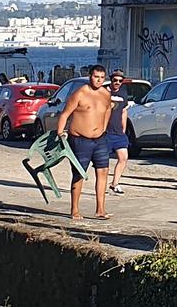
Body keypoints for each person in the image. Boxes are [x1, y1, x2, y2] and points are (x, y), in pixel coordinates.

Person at [54, 65, 116, 222]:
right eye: (96, 77)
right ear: (90, 76)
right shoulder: (80, 93)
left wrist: (103, 127)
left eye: (102, 78)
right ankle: (74, 209)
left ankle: (100, 210)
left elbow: (108, 109)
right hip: (80, 139)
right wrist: (60, 134)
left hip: (100, 139)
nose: (99, 80)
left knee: (103, 171)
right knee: (79, 174)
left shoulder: (105, 94)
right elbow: (65, 114)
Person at [100, 71, 133, 195]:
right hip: (105, 132)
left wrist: (123, 129)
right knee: (103, 161)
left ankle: (115, 184)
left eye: (120, 81)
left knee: (123, 158)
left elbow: (124, 111)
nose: (117, 83)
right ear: (111, 80)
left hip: (118, 132)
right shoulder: (104, 91)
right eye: (115, 80)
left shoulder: (123, 92)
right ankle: (101, 186)